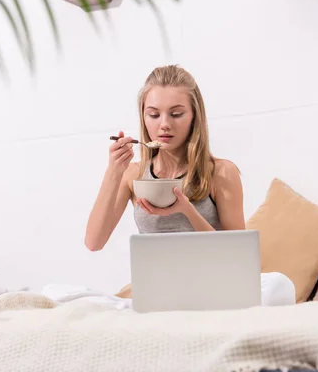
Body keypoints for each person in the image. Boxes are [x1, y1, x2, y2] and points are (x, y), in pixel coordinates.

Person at [85, 65, 295, 306]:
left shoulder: (220, 173)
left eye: (176, 114)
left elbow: (238, 261)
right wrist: (114, 171)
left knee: (279, 284)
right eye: (154, 115)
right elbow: (94, 241)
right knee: (62, 293)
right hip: (158, 293)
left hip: (216, 290)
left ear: (194, 116)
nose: (164, 124)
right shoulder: (133, 173)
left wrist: (187, 210)